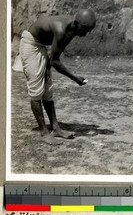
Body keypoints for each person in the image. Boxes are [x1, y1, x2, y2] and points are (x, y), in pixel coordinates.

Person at [19, 9, 96, 144]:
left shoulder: (73, 29)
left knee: (48, 90)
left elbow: (55, 56)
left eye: (89, 30)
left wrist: (48, 63)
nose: (87, 33)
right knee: (36, 90)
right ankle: (44, 133)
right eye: (86, 29)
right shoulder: (61, 29)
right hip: (30, 44)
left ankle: (55, 128)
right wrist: (75, 78)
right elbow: (55, 62)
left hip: (41, 46)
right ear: (77, 23)